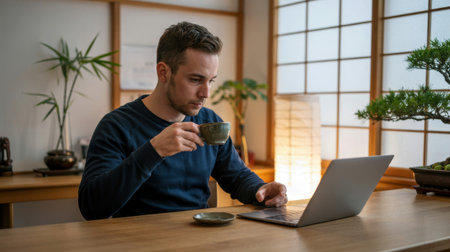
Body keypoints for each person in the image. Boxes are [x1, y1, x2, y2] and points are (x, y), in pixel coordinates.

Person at [78, 21, 287, 220]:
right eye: (195, 80)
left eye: (210, 81)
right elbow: (92, 207)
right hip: (138, 241)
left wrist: (262, 190)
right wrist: (153, 151)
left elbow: (237, 176)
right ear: (163, 72)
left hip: (199, 237)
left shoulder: (209, 121)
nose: (206, 93)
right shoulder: (116, 126)